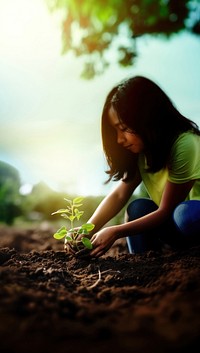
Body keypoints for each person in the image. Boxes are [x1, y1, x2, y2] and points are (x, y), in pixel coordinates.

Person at [78, 75, 200, 257]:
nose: (120, 139)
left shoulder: (186, 143)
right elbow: (119, 194)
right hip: (175, 227)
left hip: (191, 221)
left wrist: (116, 231)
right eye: (115, 130)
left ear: (149, 119)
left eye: (125, 128)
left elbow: (167, 210)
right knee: (137, 209)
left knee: (186, 213)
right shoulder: (143, 152)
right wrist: (85, 231)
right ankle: (143, 263)